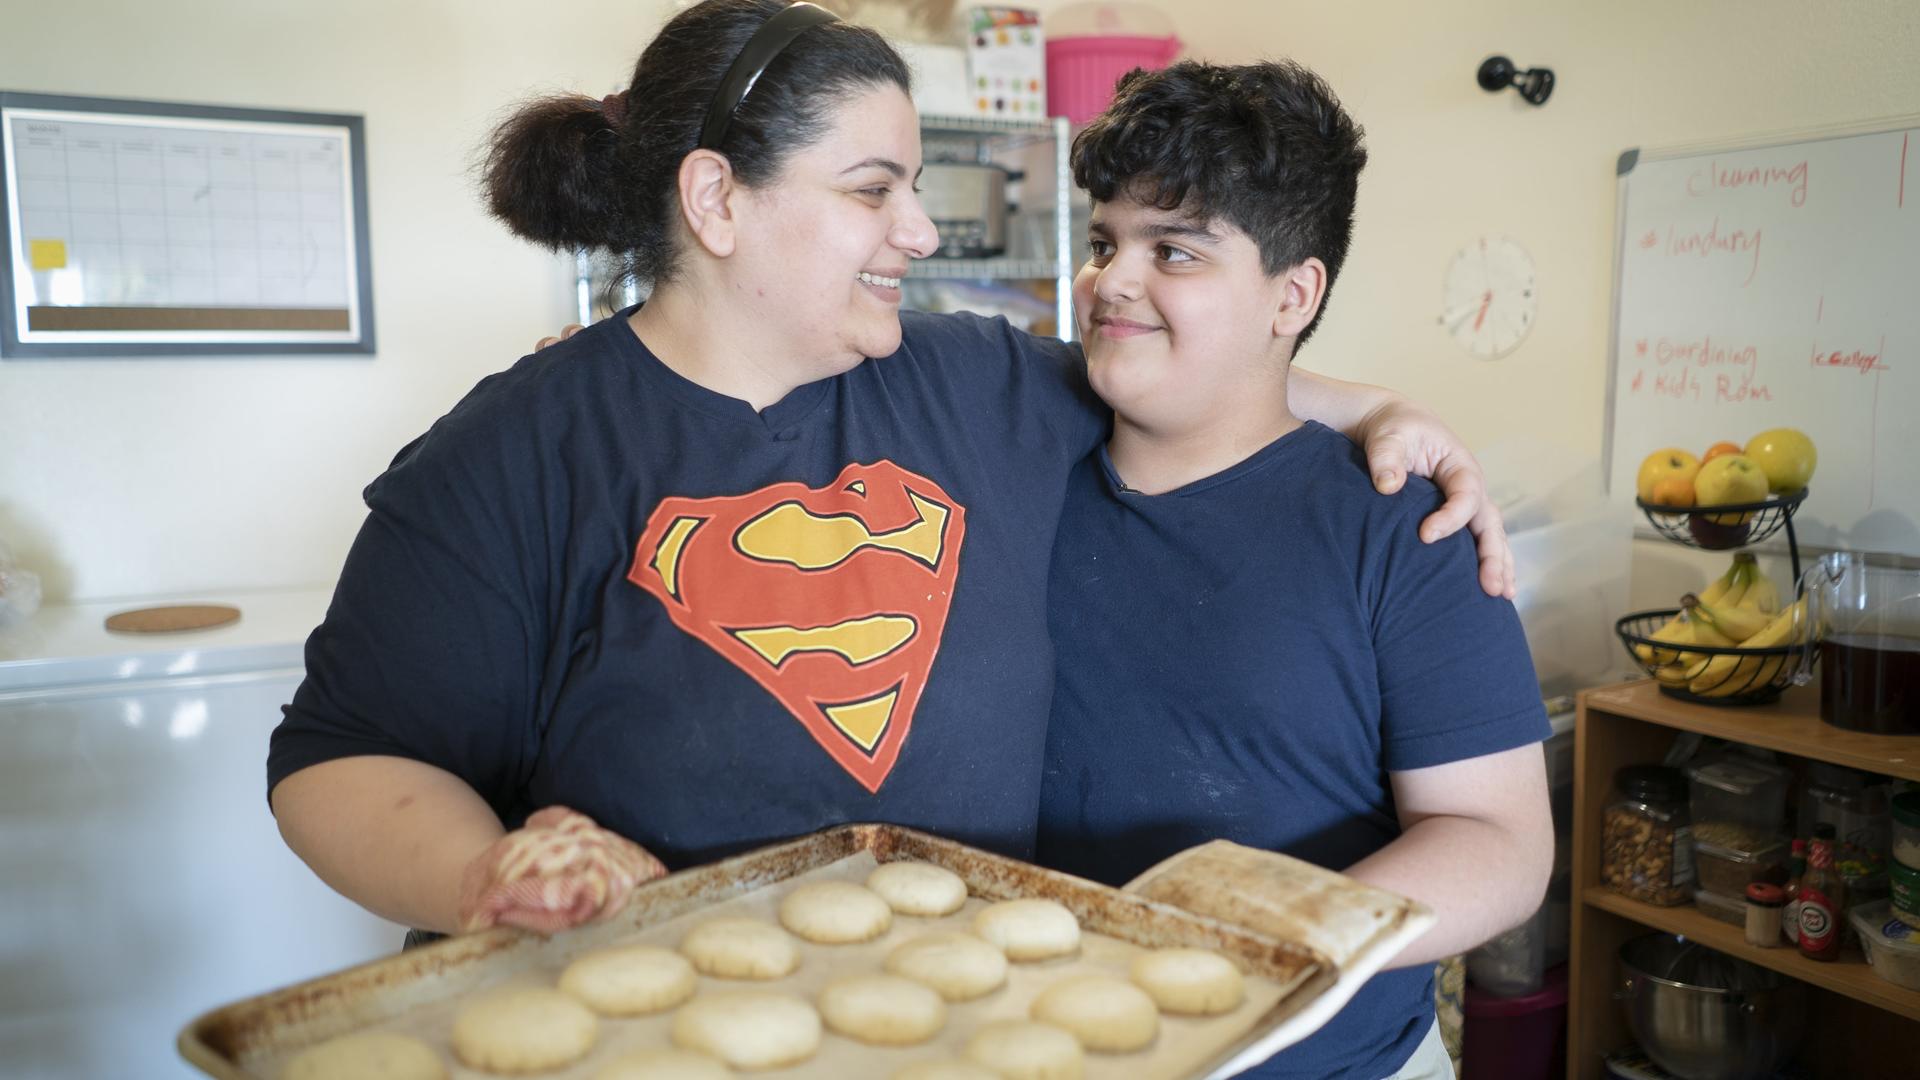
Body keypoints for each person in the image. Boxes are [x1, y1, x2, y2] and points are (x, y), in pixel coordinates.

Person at [268, 0, 1513, 941]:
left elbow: (1192, 374)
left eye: (914, 189)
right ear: (716, 201)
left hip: (962, 1031)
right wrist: (482, 875)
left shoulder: (976, 384)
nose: (919, 232)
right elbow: (340, 760)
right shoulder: (518, 449)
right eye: (875, 190)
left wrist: (1392, 409)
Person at [1035, 60, 1553, 1080]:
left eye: (1174, 250)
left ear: (1293, 293)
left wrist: (1262, 944)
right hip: (1057, 1047)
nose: (1113, 280)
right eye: (1106, 242)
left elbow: (1498, 841)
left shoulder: (1402, 522)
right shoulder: (1020, 464)